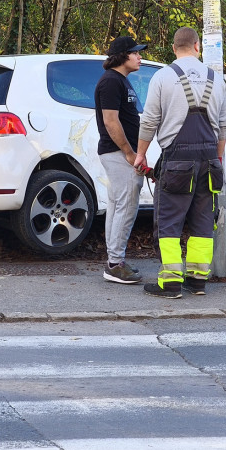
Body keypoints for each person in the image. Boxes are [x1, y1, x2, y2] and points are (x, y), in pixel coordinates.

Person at [133, 27, 226, 298]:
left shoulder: (163, 77)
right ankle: (198, 281)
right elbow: (223, 125)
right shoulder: (216, 79)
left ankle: (171, 283)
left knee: (169, 222)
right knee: (202, 222)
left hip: (177, 162)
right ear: (197, 46)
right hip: (210, 161)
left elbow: (150, 120)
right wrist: (218, 157)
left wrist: (141, 154)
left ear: (173, 48)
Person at [95, 35, 147, 285]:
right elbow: (110, 121)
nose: (140, 57)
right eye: (135, 53)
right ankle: (115, 264)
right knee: (125, 206)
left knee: (117, 206)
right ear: (123, 55)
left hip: (122, 152)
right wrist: (129, 152)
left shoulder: (120, 81)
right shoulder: (110, 82)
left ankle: (115, 260)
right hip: (117, 153)